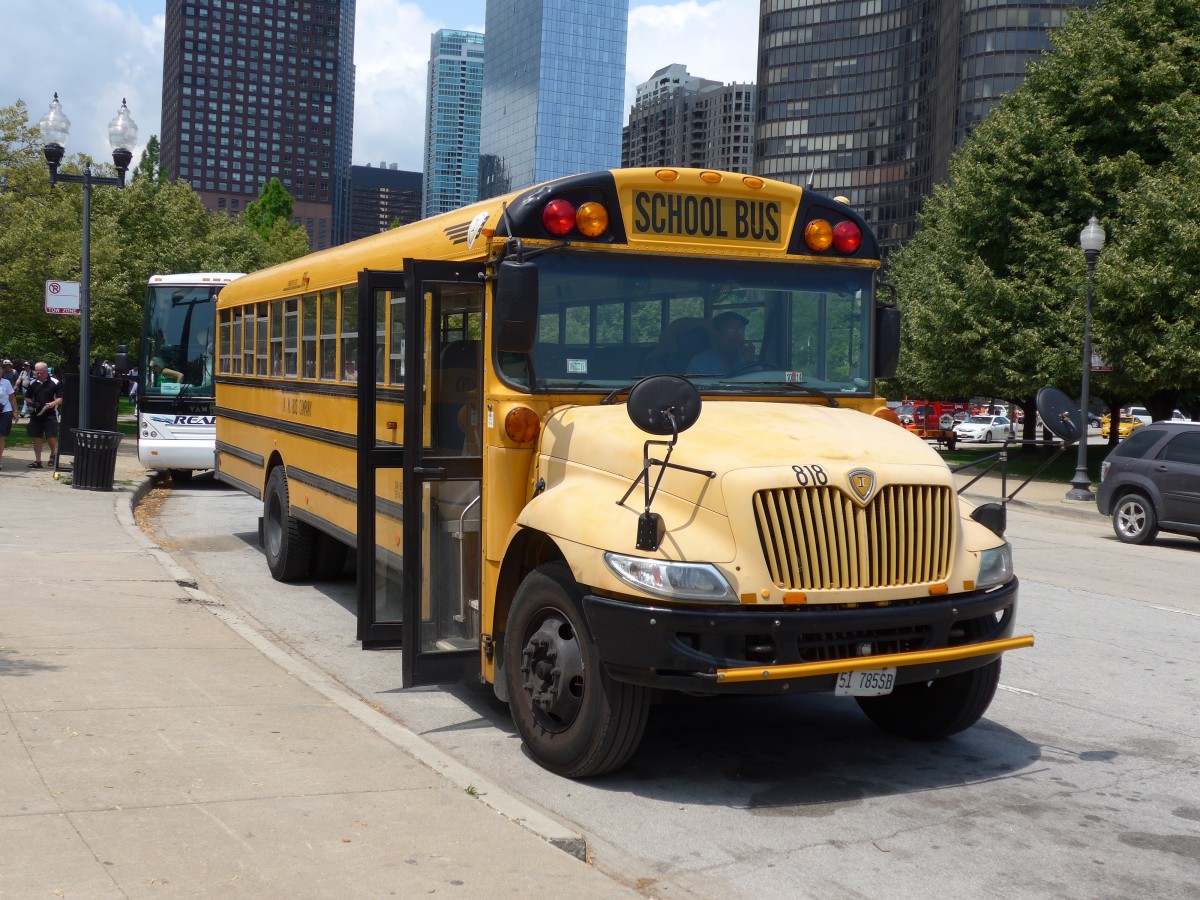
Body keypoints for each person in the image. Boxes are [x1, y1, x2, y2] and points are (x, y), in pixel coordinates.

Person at [687, 311, 756, 375]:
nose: (737, 333)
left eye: (740, 328)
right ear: (717, 334)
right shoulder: (700, 362)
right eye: (730, 328)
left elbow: (758, 386)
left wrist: (750, 363)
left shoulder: (749, 360)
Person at [22, 362, 62, 468]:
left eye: (41, 372)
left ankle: (53, 454)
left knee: (51, 437)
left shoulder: (55, 382)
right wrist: (31, 403)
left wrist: (52, 404)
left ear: (46, 371)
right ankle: (38, 461)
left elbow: (60, 398)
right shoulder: (33, 383)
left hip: (51, 413)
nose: (39, 374)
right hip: (36, 413)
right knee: (36, 437)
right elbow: (27, 397)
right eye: (37, 372)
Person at [0, 363, 16, 470]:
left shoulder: (6, 383)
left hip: (5, 412)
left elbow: (12, 398)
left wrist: (15, 412)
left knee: (0, 436)